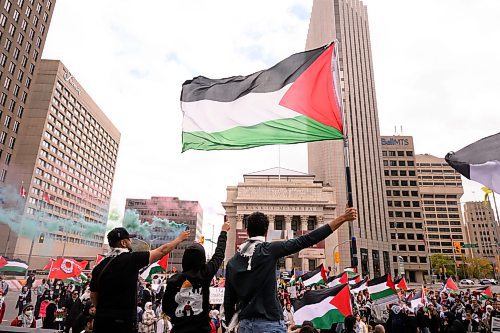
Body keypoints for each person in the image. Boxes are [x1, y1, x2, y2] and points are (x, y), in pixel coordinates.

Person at [223, 207, 357, 333]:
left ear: (247, 230)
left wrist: (231, 325)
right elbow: (306, 239)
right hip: (270, 323)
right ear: (266, 231)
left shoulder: (232, 262)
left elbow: (228, 302)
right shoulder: (268, 250)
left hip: (245, 326)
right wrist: (343, 218)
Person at [90, 227, 190, 333]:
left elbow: (93, 295)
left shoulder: (99, 267)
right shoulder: (131, 259)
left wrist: (104, 311)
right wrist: (179, 239)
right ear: (123, 243)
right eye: (129, 239)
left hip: (101, 321)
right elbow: (162, 250)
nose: (131, 241)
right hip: (123, 322)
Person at [163, 220, 230, 332]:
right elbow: (219, 255)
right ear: (202, 259)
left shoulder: (173, 280)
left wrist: (178, 318)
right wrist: (223, 232)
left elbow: (166, 307)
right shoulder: (205, 273)